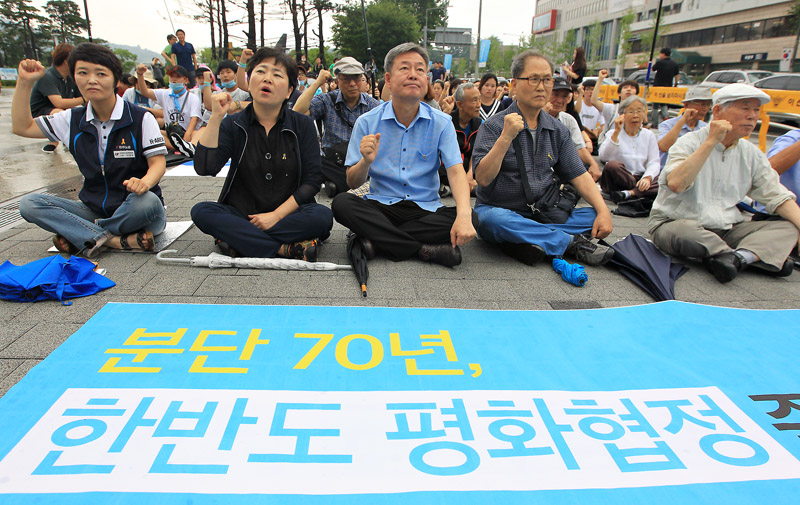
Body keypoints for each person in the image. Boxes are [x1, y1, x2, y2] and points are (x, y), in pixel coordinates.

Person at [13, 43, 167, 257]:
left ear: (115, 79)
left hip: (136, 208)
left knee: (148, 201)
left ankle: (83, 234)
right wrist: (25, 83)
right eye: (83, 73)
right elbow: (23, 127)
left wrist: (145, 182)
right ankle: (112, 240)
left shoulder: (140, 118)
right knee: (30, 203)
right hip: (93, 208)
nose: (91, 80)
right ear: (74, 77)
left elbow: (158, 163)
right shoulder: (72, 119)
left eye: (101, 73)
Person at [331, 43, 477, 267]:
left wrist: (464, 217)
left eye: (420, 69)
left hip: (425, 209)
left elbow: (456, 171)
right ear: (388, 79)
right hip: (381, 205)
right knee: (342, 203)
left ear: (426, 79)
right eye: (405, 68)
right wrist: (366, 162)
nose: (413, 75)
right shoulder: (368, 122)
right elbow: (352, 181)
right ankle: (422, 250)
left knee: (471, 215)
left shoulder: (442, 123)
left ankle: (378, 240)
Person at [472, 50, 614, 267]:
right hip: (501, 211)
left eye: (547, 80)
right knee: (491, 221)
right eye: (533, 79)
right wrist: (506, 137)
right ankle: (570, 243)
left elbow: (579, 175)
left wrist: (604, 211)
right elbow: (482, 178)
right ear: (514, 85)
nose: (541, 87)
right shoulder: (494, 125)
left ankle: (529, 240)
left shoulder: (557, 129)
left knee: (594, 216)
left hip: (544, 212)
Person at [191, 47, 333, 260]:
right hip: (242, 212)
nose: (267, 79)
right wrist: (215, 117)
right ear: (249, 82)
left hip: (289, 213)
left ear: (288, 91)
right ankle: (284, 249)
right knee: (201, 212)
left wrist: (275, 216)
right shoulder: (234, 123)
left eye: (277, 75)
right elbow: (205, 168)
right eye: (260, 72)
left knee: (322, 217)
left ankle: (240, 241)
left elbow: (312, 181)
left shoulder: (302, 125)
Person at [648, 84, 800, 283]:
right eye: (745, 108)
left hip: (727, 229)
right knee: (682, 232)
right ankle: (754, 256)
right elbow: (676, 183)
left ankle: (735, 258)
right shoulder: (689, 142)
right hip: (677, 224)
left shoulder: (750, 153)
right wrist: (711, 142)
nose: (753, 116)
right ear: (718, 111)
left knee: (788, 227)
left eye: (756, 110)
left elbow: (776, 195)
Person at [293, 56, 379, 197]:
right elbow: (297, 113)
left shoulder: (373, 106)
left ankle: (341, 185)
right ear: (337, 81)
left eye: (356, 78)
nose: (352, 84)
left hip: (360, 162)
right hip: (331, 161)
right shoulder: (327, 100)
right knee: (309, 157)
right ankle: (347, 186)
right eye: (346, 79)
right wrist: (317, 83)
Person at [598, 96, 661, 203]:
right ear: (622, 115)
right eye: (631, 111)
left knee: (665, 180)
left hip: (639, 178)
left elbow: (654, 162)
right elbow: (604, 156)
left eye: (639, 111)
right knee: (612, 166)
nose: (635, 115)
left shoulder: (649, 135)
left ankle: (628, 193)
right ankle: (639, 192)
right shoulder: (612, 133)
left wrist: (647, 178)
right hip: (620, 177)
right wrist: (616, 133)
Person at [135, 63, 201, 157]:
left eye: (178, 77)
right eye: (171, 76)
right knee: (156, 133)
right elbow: (144, 91)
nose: (174, 79)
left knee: (197, 133)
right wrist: (140, 75)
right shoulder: (164, 94)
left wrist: (187, 135)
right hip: (172, 135)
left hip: (188, 133)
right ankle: (179, 147)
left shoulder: (192, 98)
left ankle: (188, 146)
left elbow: (194, 119)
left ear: (185, 80)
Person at [29, 43, 84, 152]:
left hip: (59, 111)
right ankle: (56, 139)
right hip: (41, 112)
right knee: (59, 113)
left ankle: (68, 138)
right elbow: (58, 103)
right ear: (67, 60)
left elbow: (83, 99)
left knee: (80, 113)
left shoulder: (70, 78)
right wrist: (85, 99)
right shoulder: (47, 76)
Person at [545, 77, 600, 181]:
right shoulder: (533, 116)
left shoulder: (568, 119)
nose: (560, 100)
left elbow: (579, 147)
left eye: (564, 96)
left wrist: (593, 164)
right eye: (556, 95)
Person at [439, 82, 482, 196]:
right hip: (449, 169)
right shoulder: (449, 120)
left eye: (479, 99)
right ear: (459, 105)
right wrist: (445, 113)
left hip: (469, 169)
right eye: (474, 100)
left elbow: (477, 152)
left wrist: (470, 174)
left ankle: (456, 187)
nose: (478, 105)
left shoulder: (479, 124)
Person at [657, 85, 711, 169]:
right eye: (702, 104)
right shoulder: (667, 125)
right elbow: (664, 147)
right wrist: (683, 120)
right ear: (686, 105)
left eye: (708, 105)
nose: (705, 109)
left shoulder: (706, 128)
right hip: (666, 170)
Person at [590, 69, 640, 146]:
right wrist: (600, 79)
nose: (629, 89)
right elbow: (594, 101)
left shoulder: (639, 112)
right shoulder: (611, 108)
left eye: (632, 87)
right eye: (625, 87)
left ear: (636, 94)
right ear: (619, 93)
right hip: (611, 146)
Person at [650, 47, 679, 126]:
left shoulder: (660, 63)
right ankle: (666, 118)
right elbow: (677, 75)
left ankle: (654, 123)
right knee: (664, 105)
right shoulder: (674, 64)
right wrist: (676, 84)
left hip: (657, 87)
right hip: (668, 88)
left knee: (655, 106)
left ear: (663, 54)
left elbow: (652, 69)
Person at [577, 79, 605, 154]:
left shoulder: (600, 107)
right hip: (579, 136)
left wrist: (598, 131)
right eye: (588, 89)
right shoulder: (577, 104)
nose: (591, 92)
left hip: (592, 139)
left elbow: (603, 125)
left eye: (593, 89)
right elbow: (576, 116)